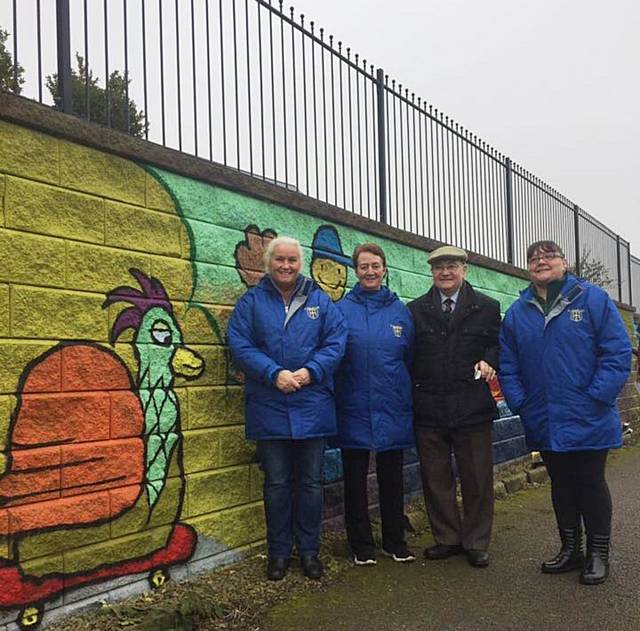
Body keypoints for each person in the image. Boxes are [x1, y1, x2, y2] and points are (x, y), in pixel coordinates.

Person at [499, 240, 631, 585]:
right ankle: (571, 549)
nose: (541, 261)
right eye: (533, 258)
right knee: (561, 485)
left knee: (589, 483)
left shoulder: (592, 299)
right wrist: (520, 403)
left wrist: (596, 397)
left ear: (564, 262)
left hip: (588, 414)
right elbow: (508, 365)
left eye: (548, 256)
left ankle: (598, 553)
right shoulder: (517, 312)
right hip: (544, 417)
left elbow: (616, 353)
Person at [227, 236, 347, 581]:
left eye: (292, 260)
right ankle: (279, 553)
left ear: (301, 262)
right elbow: (239, 343)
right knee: (277, 484)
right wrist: (273, 373)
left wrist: (311, 371)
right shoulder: (251, 302)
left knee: (310, 484)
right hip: (269, 406)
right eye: (279, 259)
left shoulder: (320, 301)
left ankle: (309, 551)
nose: (286, 266)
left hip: (312, 406)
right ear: (268, 262)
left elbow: (337, 341)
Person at [408, 245, 500, 568]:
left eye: (451, 266)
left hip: (472, 405)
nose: (445, 272)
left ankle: (476, 542)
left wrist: (490, 359)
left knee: (477, 478)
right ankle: (446, 538)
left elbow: (497, 343)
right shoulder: (415, 310)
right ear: (431, 272)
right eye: (438, 267)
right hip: (429, 407)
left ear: (465, 269)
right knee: (435, 478)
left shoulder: (487, 307)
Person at [333, 243, 416, 566]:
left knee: (392, 478)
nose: (370, 271)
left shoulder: (400, 311)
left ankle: (395, 541)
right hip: (352, 404)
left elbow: (410, 357)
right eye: (364, 266)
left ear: (385, 270)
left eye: (375, 266)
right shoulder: (340, 309)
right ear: (356, 271)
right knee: (354, 480)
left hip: (391, 404)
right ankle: (361, 545)